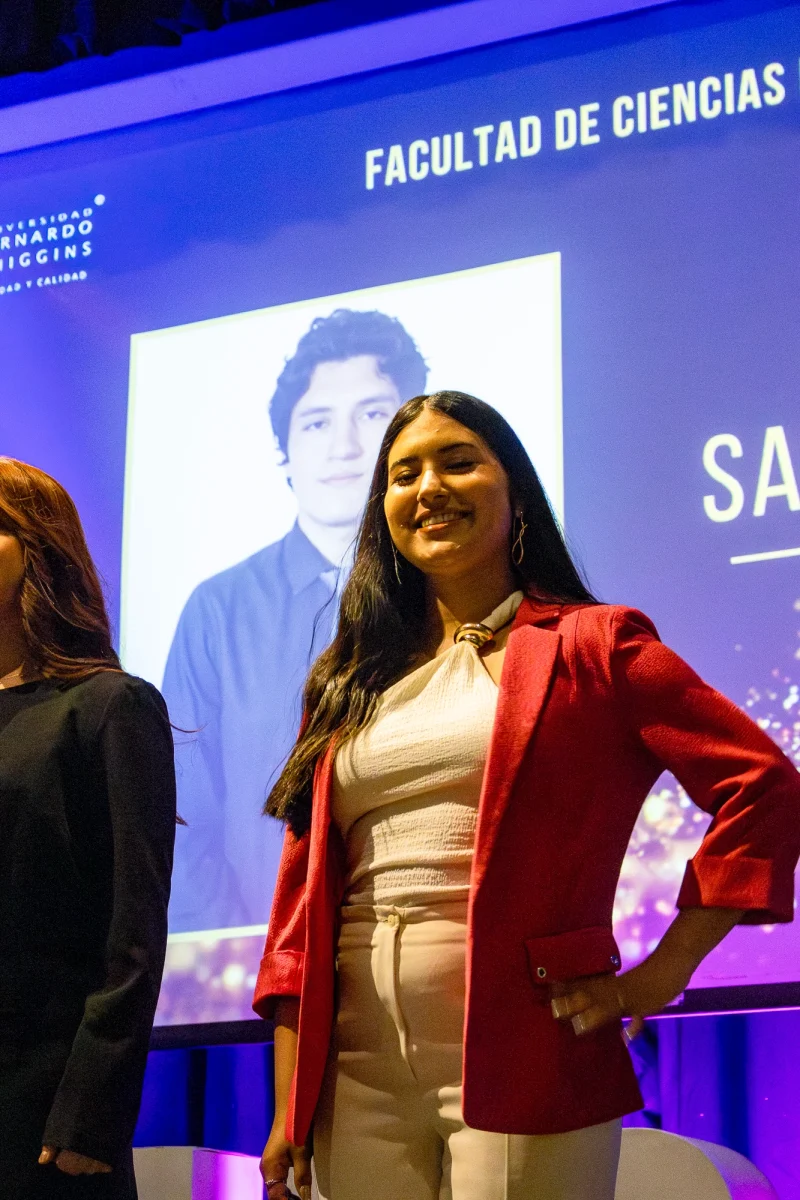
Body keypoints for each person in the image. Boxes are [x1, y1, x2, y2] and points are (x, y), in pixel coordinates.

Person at [254, 391, 800, 1200]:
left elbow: (765, 785)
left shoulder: (596, 644)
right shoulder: (346, 678)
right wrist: (288, 1103)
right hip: (353, 1067)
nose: (429, 487)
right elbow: (298, 912)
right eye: (404, 474)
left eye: (458, 462)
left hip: (529, 1047)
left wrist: (660, 975)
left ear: (515, 495)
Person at [163, 308, 427, 932]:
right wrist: (244, 953)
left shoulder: (451, 591)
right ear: (285, 452)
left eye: (372, 414)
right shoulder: (218, 610)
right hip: (258, 961)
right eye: (317, 422)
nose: (344, 447)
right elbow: (182, 818)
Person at [0, 459, 176, 1200]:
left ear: (38, 547)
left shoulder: (109, 707)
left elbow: (134, 930)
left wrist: (90, 1111)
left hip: (42, 1112)